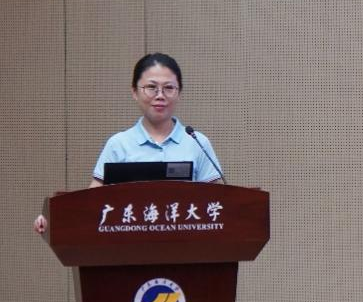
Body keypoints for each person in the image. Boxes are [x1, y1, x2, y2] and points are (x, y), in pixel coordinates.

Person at [34, 53, 222, 233]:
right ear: (134, 92)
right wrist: (55, 218)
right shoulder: (118, 144)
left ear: (179, 93)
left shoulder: (197, 142)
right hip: (127, 248)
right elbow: (91, 203)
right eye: (151, 87)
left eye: (169, 88)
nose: (160, 95)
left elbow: (220, 203)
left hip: (186, 248)